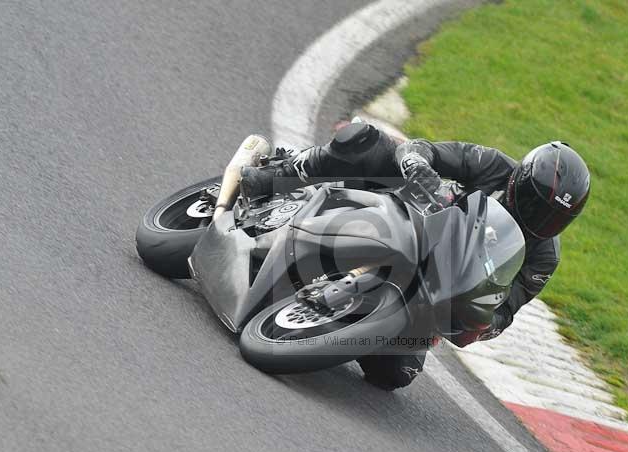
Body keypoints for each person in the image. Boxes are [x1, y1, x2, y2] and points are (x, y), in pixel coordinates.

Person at [241, 122, 590, 390]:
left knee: (395, 374)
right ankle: (275, 176)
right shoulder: (493, 165)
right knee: (365, 141)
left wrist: (483, 323)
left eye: (552, 219)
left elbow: (506, 309)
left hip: (433, 287)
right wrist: (417, 163)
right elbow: (424, 149)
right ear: (519, 181)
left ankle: (338, 322)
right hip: (404, 215)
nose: (538, 219)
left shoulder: (544, 258)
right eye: (534, 204)